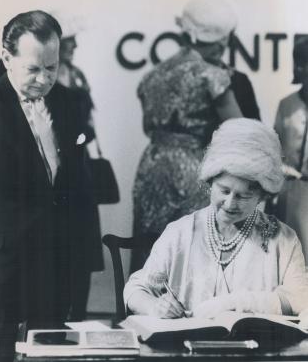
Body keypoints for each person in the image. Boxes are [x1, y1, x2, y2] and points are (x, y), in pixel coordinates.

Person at [0, 10, 94, 362]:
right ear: (7, 58)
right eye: (33, 69)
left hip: (56, 256)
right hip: (0, 260)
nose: (44, 79)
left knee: (52, 352)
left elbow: (78, 185)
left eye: (52, 67)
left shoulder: (69, 101)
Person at [125, 118, 308, 318]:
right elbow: (136, 289)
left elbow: (301, 299)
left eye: (243, 196)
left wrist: (237, 303)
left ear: (262, 195)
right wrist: (154, 306)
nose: (230, 203)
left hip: (256, 348)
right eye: (224, 190)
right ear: (210, 182)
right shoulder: (180, 233)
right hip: (185, 347)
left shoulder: (283, 239)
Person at [131, 0, 245, 272]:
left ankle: (143, 308)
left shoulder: (153, 75)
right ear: (219, 40)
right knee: (193, 251)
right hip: (192, 169)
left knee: (151, 248)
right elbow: (240, 130)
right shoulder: (211, 76)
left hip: (152, 167)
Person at [54, 12, 104, 321]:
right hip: (60, 173)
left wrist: (84, 135)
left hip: (81, 174)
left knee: (83, 253)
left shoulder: (77, 75)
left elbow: (87, 126)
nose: (73, 46)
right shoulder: (46, 79)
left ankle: (79, 316)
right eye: (67, 41)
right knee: (59, 252)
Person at [274, 35, 308, 263]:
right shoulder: (287, 105)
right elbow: (276, 149)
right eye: (299, 62)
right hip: (295, 193)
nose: (301, 68)